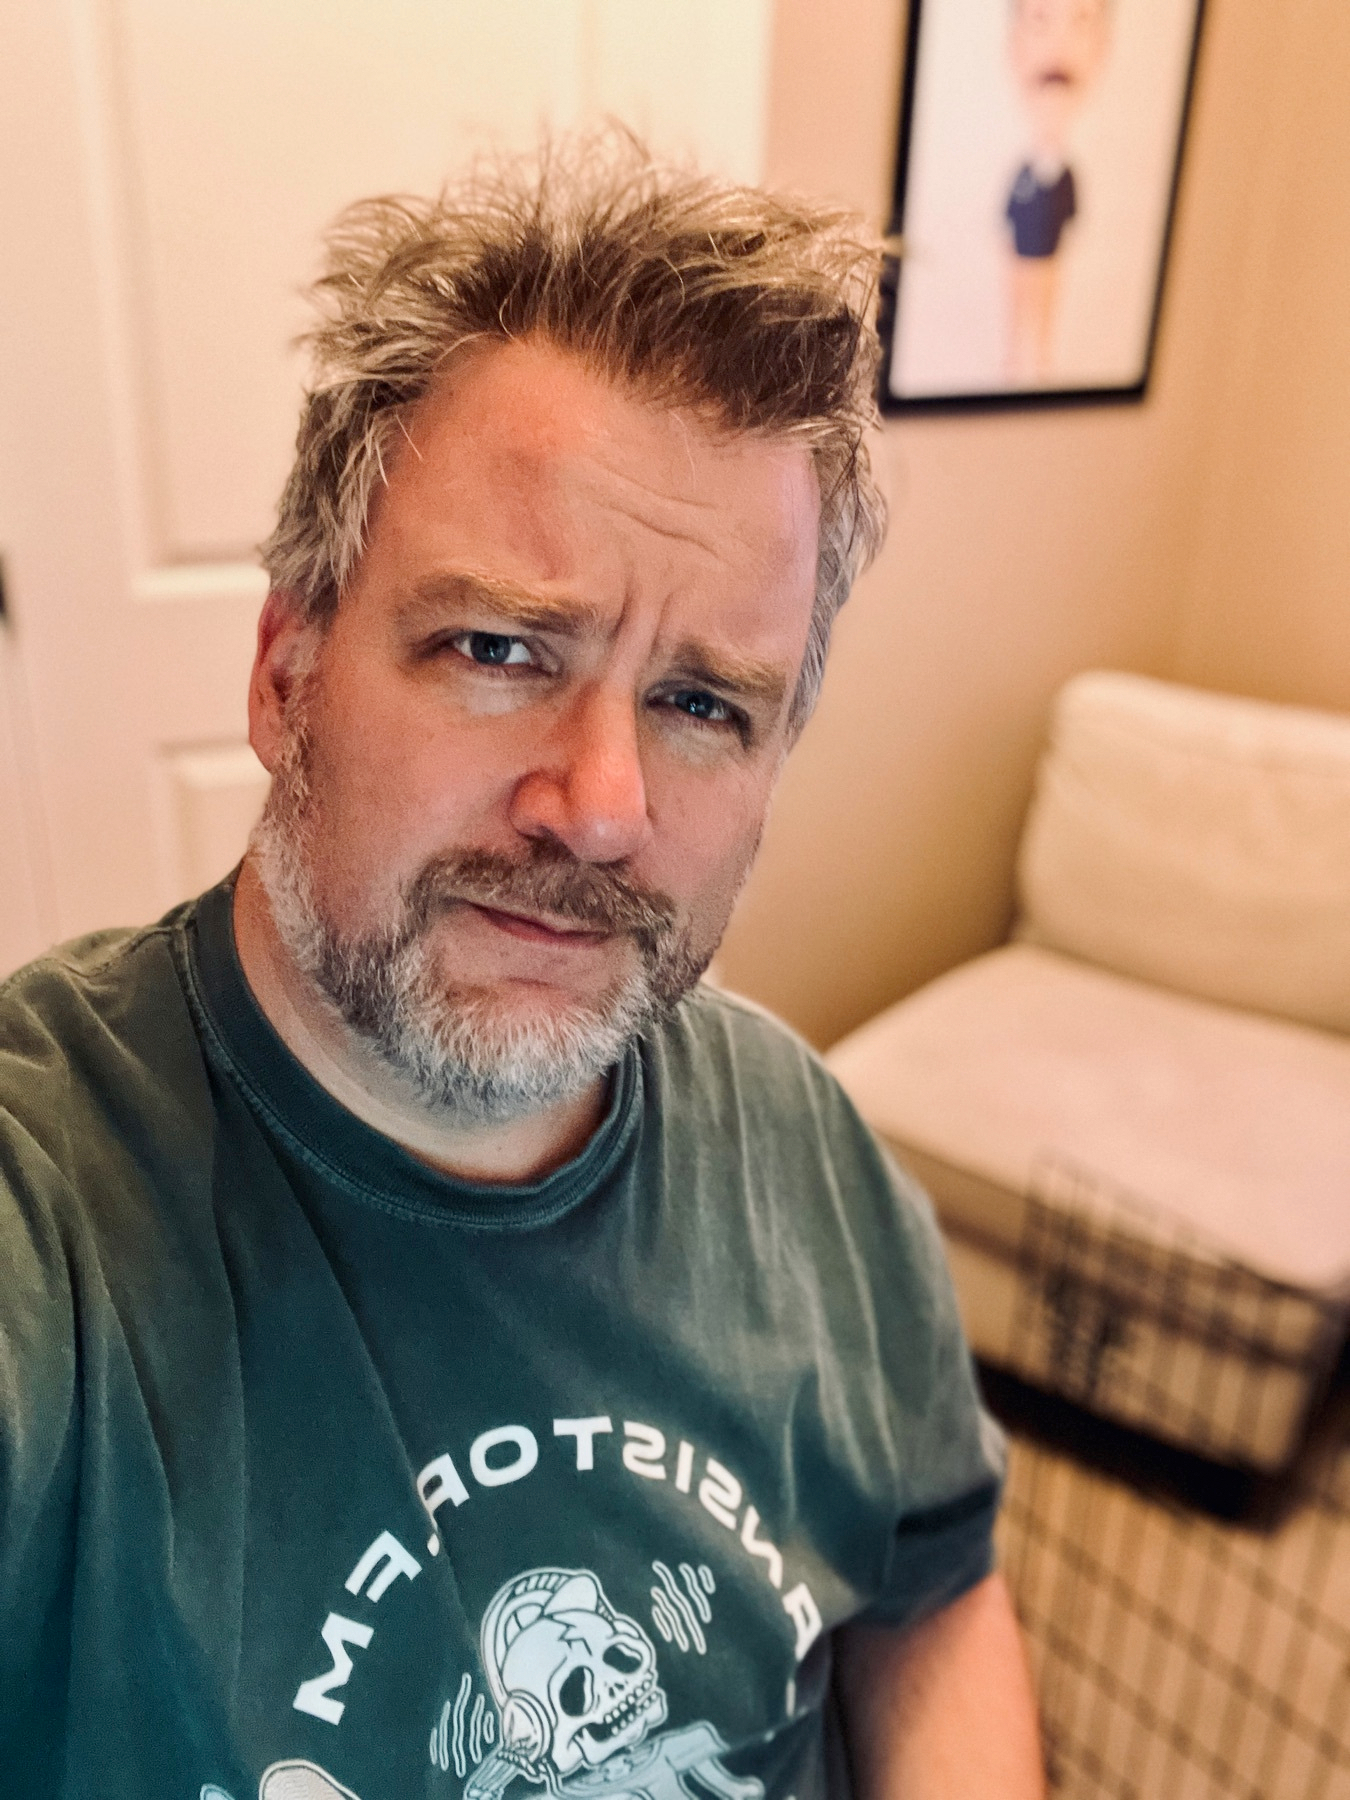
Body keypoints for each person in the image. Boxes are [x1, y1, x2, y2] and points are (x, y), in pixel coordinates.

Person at [0, 139, 1043, 1799]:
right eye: (497, 649)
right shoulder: (54, 1213)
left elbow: (934, 1587)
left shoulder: (800, 1139)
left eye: (704, 703)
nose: (604, 808)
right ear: (288, 673)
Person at [1003, 0, 1112, 382]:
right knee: (1018, 305)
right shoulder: (1023, 169)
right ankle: (1015, 356)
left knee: (1046, 306)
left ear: (1103, 47)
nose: (1059, 44)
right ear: (1014, 43)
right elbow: (1009, 212)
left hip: (1050, 257)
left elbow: (1073, 217)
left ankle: (1042, 357)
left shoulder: (1067, 174)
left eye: (1081, 21)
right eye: (1040, 20)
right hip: (1021, 255)